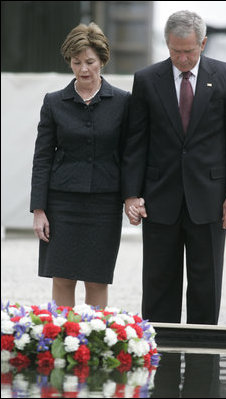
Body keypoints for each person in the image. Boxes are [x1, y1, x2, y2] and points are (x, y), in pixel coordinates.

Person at [122, 10, 226, 324]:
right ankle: (160, 360)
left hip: (210, 199)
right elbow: (136, 141)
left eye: (189, 51)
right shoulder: (146, 79)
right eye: (175, 51)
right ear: (166, 44)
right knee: (158, 285)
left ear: (203, 43)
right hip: (158, 199)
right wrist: (130, 195)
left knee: (206, 287)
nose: (182, 58)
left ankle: (203, 367)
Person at [30, 23, 130, 308]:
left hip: (105, 203)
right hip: (61, 203)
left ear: (102, 61)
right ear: (69, 62)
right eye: (76, 63)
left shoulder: (123, 102)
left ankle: (96, 346)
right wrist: (39, 209)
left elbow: (130, 154)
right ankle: (63, 343)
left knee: (97, 279)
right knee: (62, 277)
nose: (84, 69)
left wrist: (131, 197)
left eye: (90, 62)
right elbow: (42, 157)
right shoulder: (54, 102)